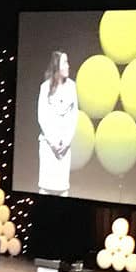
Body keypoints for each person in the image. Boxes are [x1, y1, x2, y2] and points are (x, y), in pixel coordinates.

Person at [37, 50, 78, 196]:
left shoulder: (72, 87)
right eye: (65, 62)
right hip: (49, 146)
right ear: (57, 66)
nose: (68, 66)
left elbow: (74, 116)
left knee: (63, 188)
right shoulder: (45, 87)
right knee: (45, 187)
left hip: (64, 148)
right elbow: (42, 116)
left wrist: (66, 142)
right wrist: (53, 142)